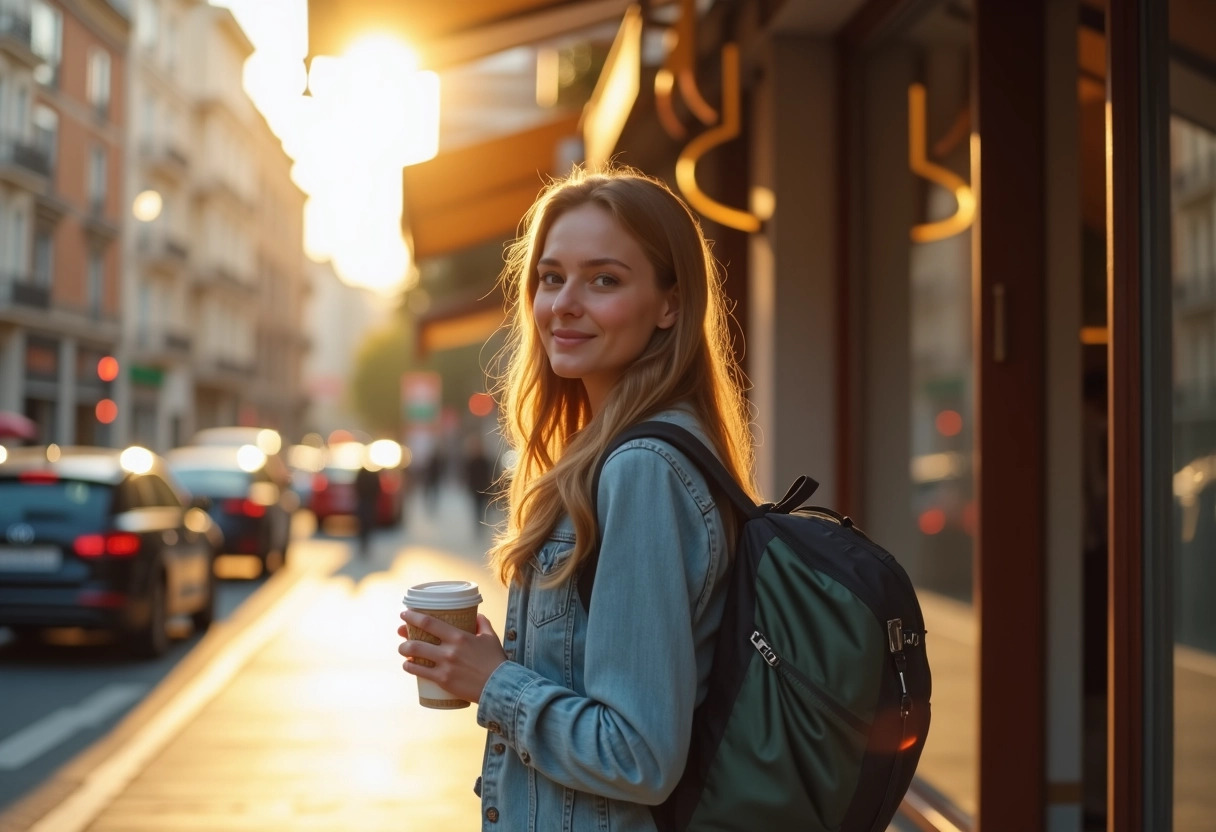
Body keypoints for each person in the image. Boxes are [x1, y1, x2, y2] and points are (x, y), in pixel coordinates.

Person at [397, 166, 759, 831]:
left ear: (670, 305)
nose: (564, 302)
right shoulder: (607, 454)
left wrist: (494, 683)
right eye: (551, 276)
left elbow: (638, 755)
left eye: (604, 280)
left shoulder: (642, 471)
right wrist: (489, 662)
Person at [353, 462, 381, 556]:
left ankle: (363, 543)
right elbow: (378, 488)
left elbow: (356, 486)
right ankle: (365, 543)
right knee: (367, 524)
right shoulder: (373, 474)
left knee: (362, 525)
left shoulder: (361, 474)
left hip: (363, 502)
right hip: (369, 503)